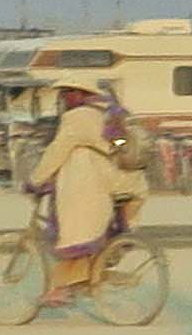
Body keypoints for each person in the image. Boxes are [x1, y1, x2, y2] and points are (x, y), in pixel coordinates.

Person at [26, 85, 137, 288]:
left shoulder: (78, 116)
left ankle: (60, 290)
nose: (64, 97)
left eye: (68, 93)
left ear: (80, 94)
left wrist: (35, 180)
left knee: (74, 232)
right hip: (120, 179)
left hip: (91, 183)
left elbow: (57, 152)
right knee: (93, 230)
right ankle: (93, 271)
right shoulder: (106, 112)